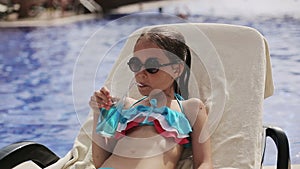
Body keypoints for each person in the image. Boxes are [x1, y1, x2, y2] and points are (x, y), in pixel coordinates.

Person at [89, 26, 213, 169]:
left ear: (176, 69)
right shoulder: (128, 106)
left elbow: (204, 162)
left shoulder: (190, 108)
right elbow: (100, 162)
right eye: (135, 64)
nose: (140, 74)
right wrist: (98, 113)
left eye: (152, 66)